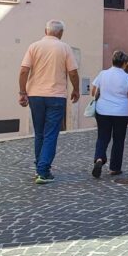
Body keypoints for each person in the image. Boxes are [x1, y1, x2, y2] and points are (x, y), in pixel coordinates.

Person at [18, 20, 79, 184]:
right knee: (51, 134)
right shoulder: (65, 47)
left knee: (39, 133)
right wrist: (76, 89)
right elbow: (73, 72)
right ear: (60, 33)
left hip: (35, 95)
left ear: (45, 31)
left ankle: (40, 167)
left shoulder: (34, 46)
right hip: (56, 96)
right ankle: (43, 171)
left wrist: (23, 92)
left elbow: (24, 70)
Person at [90, 50, 128, 178]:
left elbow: (93, 91)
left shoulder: (102, 74)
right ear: (125, 64)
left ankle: (99, 159)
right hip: (121, 113)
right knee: (118, 140)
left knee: (102, 137)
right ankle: (114, 168)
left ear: (112, 61)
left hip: (102, 111)